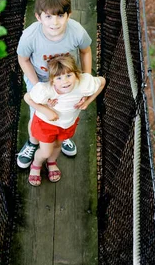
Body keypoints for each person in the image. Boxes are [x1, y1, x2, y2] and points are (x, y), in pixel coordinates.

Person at [16, 0, 93, 168]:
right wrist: (37, 87)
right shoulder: (30, 37)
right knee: (38, 114)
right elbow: (23, 59)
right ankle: (33, 142)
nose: (55, 22)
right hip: (40, 78)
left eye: (60, 16)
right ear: (38, 17)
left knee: (68, 108)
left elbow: (86, 51)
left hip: (66, 78)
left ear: (69, 15)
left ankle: (61, 136)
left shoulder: (76, 31)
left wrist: (86, 77)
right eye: (49, 17)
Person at [24, 55, 105, 186]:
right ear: (52, 80)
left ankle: (51, 162)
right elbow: (28, 98)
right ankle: (36, 164)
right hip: (46, 124)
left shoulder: (83, 84)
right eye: (59, 78)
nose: (65, 81)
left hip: (67, 124)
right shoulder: (46, 90)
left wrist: (88, 101)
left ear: (76, 74)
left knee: (57, 146)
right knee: (45, 150)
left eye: (69, 75)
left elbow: (102, 82)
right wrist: (46, 110)